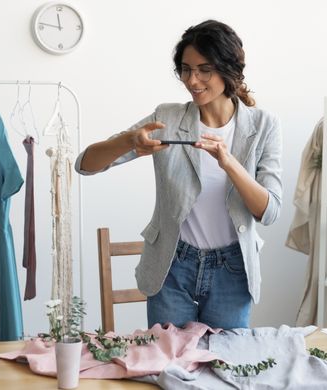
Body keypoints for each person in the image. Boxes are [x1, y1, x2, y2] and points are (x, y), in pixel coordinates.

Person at [75, 20, 282, 329]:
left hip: (233, 270)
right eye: (185, 69)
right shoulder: (167, 118)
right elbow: (85, 164)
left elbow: (269, 211)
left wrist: (229, 163)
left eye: (203, 69)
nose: (192, 80)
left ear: (228, 69)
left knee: (224, 367)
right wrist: (129, 141)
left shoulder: (263, 125)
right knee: (168, 367)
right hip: (172, 267)